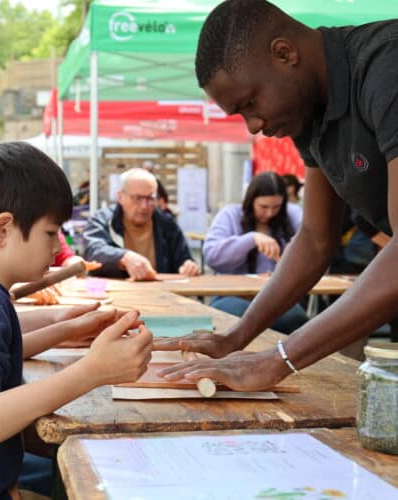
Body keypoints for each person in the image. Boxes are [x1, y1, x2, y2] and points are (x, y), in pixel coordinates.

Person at [155, 0, 398, 392]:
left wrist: (277, 359)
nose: (253, 126)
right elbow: (315, 239)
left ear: (284, 54)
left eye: (250, 103)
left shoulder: (386, 66)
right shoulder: (311, 110)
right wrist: (235, 337)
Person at [0, 141, 153, 499]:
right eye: (50, 233)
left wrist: (66, 329)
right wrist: (92, 371)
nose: (57, 248)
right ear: (2, 230)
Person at [204, 171, 306, 333]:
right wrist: (250, 239)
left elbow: (310, 236)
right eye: (263, 207)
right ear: (250, 200)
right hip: (231, 294)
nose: (270, 213)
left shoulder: (290, 214)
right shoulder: (230, 214)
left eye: (276, 207)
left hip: (274, 296)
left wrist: (290, 254)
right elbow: (211, 256)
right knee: (237, 316)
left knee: (296, 319)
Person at [83, 168, 200, 280]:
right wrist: (123, 257)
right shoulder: (103, 220)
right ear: (120, 197)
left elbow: (183, 260)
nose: (144, 206)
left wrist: (189, 266)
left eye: (150, 198)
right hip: (114, 292)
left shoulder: (167, 225)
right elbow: (92, 251)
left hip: (160, 292)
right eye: (137, 198)